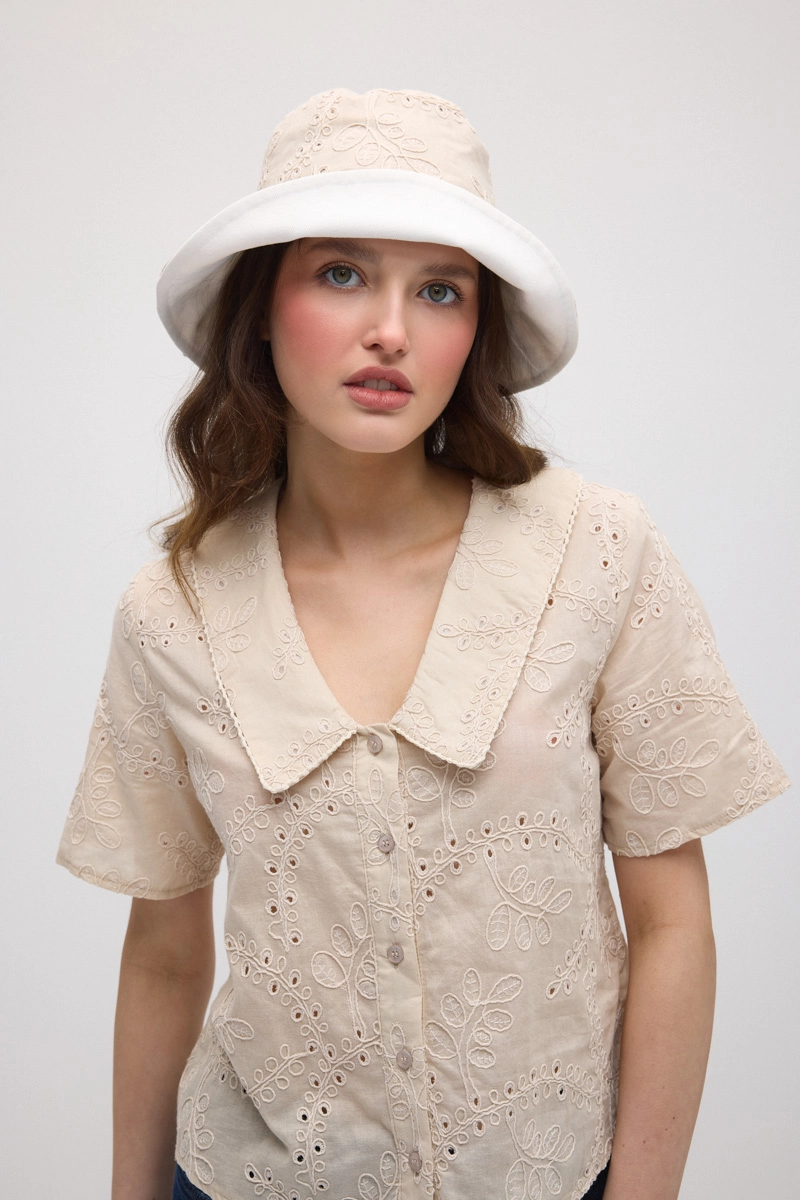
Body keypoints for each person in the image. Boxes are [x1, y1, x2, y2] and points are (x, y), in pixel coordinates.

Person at [57, 89, 789, 1200]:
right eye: (340, 273)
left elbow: (672, 921)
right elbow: (162, 954)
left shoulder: (595, 553)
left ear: (473, 333)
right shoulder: (175, 611)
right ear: (261, 308)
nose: (390, 330)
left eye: (439, 290)